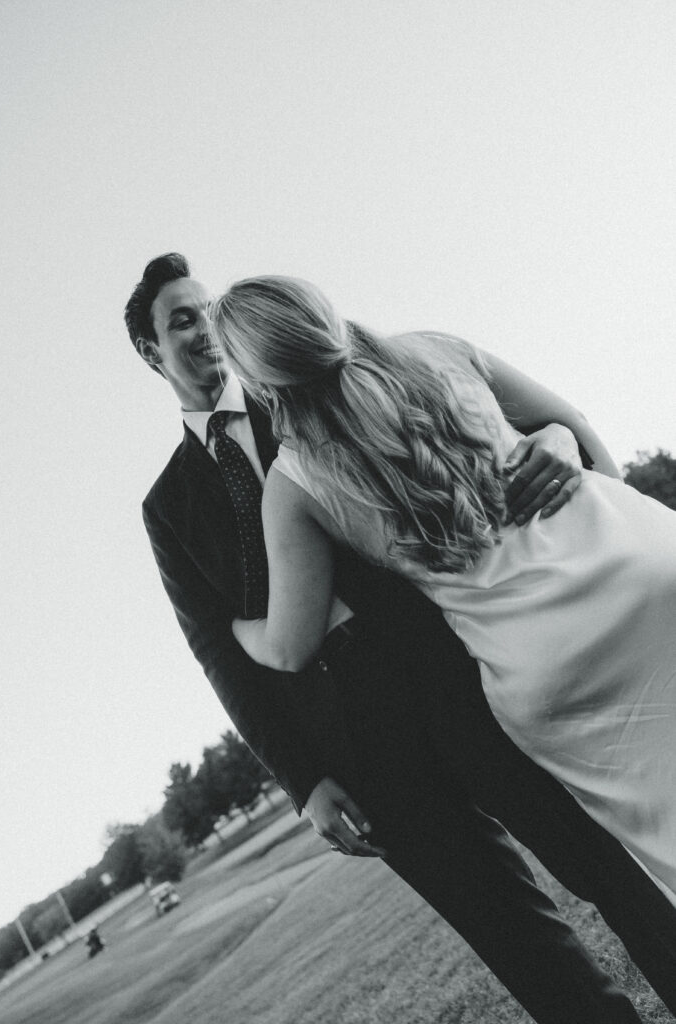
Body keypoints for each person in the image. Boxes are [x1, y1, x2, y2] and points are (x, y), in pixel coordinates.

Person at [125, 254, 676, 1024]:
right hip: (357, 738)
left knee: (601, 866)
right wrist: (302, 779)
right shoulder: (167, 507)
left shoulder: (317, 387)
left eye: (209, 309)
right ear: (151, 353)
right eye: (181, 319)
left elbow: (498, 448)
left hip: (462, 669)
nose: (204, 328)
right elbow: (216, 653)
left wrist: (552, 437)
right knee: (511, 936)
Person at [212, 273, 676, 911]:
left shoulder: (293, 484)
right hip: (649, 567)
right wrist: (615, 517)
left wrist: (236, 629)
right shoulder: (439, 349)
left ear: (254, 377)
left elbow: (291, 646)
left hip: (550, 669)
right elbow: (570, 423)